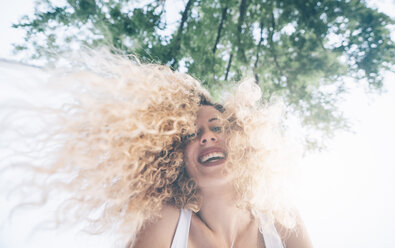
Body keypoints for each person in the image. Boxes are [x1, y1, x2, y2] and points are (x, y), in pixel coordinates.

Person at [1, 49, 312, 248]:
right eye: (192, 134)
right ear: (177, 161)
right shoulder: (167, 223)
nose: (205, 136)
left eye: (217, 127)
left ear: (244, 143)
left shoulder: (282, 222)